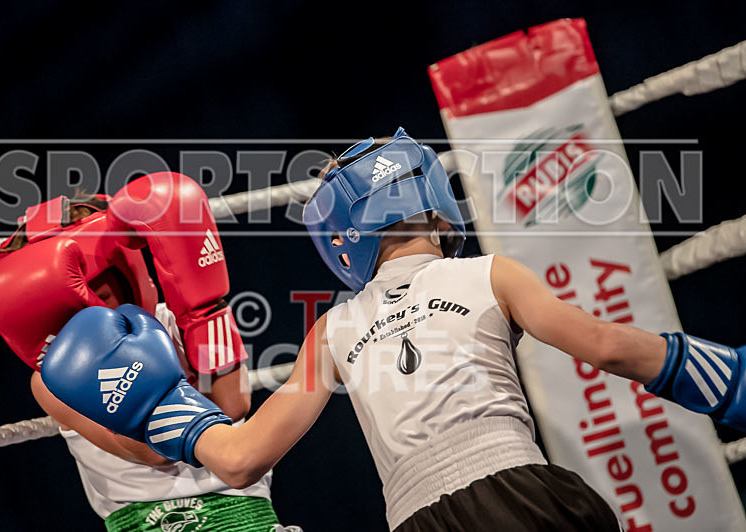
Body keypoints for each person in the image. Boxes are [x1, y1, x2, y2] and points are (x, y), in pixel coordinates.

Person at [41, 130, 746, 531]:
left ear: (339, 239)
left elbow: (238, 459)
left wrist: (157, 404)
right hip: (526, 496)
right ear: (436, 207)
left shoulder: (332, 329)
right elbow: (610, 348)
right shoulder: (492, 273)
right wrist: (734, 381)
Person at [0, 173, 282, 532]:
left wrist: (205, 311)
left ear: (123, 263)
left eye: (94, 278)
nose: (89, 295)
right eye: (77, 284)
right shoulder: (52, 379)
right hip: (143, 521)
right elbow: (153, 452)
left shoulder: (179, 320)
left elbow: (233, 405)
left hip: (243, 510)